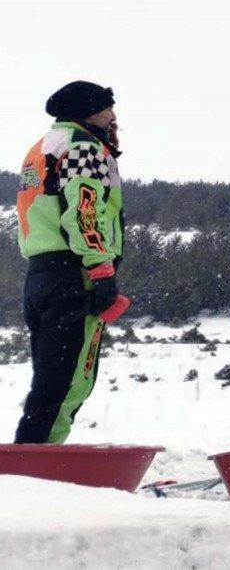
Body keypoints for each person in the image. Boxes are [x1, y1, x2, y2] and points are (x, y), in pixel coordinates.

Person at [14, 81, 130, 444]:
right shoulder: (84, 148)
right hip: (74, 274)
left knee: (49, 383)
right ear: (87, 112)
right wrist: (101, 269)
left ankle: (27, 463)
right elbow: (84, 209)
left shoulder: (41, 148)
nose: (114, 117)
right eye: (107, 109)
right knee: (69, 383)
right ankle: (37, 473)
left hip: (41, 275)